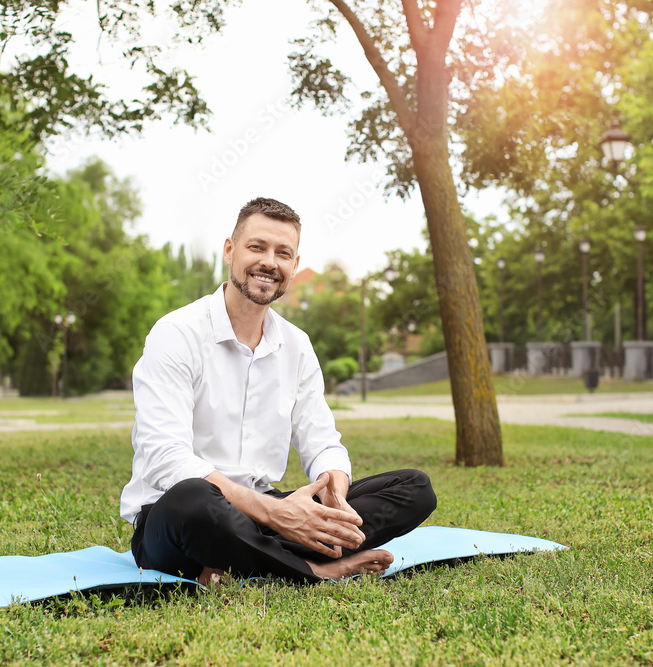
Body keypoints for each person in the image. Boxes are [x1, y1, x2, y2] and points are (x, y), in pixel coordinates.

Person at [120, 197, 436, 584]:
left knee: (414, 488)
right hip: (180, 519)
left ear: (294, 265)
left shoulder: (297, 345)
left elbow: (322, 440)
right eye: (257, 247)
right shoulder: (176, 334)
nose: (270, 262)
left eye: (283, 253)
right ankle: (312, 569)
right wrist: (274, 514)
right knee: (192, 501)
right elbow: (165, 458)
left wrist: (332, 485)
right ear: (230, 250)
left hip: (268, 511)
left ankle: (253, 556)